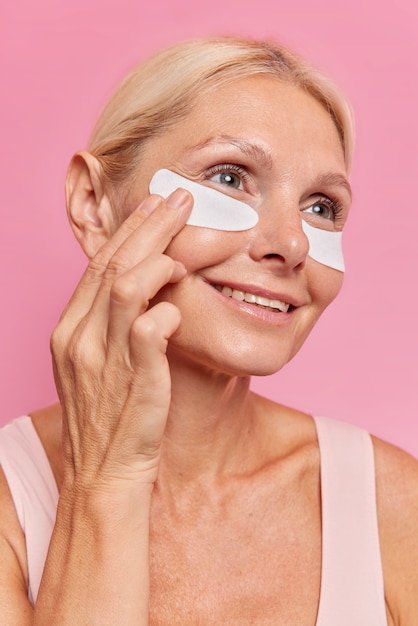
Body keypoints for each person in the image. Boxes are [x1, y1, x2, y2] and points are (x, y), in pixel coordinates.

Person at [0, 36, 417, 626]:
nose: (293, 243)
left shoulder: (394, 504)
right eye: (230, 177)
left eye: (321, 207)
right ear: (94, 203)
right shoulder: (10, 507)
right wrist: (105, 483)